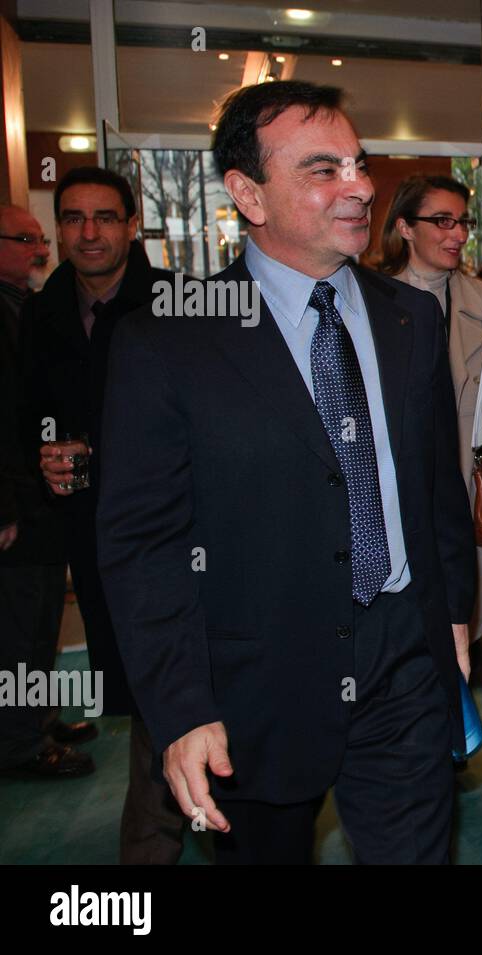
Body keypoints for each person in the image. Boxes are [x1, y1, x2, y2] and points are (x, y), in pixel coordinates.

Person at [96, 80, 477, 864]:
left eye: (360, 164)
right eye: (323, 169)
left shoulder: (412, 318)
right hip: (255, 682)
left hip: (402, 656)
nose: (361, 186)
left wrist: (454, 620)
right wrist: (179, 707)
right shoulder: (167, 342)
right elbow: (143, 544)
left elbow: (436, 488)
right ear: (248, 194)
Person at [18, 171, 187, 856]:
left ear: (132, 226)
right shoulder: (41, 312)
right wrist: (44, 454)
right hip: (89, 530)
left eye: (105, 218)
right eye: (75, 218)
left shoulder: (178, 303)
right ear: (58, 227)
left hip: (175, 526)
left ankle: (156, 828)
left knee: (167, 667)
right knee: (132, 673)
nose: (90, 232)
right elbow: (28, 413)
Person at [376, 176, 482, 688]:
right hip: (393, 475)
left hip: (466, 476)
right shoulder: (370, 300)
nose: (458, 233)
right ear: (404, 227)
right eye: (442, 221)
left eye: (462, 221)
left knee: (462, 599)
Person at [0, 203, 89, 779]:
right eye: (24, 238)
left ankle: (34, 720)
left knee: (36, 624)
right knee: (15, 628)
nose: (39, 249)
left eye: (40, 238)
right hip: (13, 506)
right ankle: (16, 743)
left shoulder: (25, 305)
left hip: (38, 499)